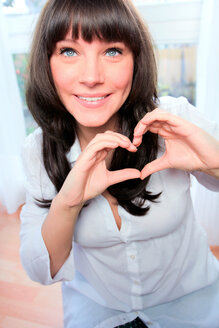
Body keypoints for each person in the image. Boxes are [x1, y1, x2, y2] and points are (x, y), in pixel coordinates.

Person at [19, 0, 219, 327]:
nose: (92, 77)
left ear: (135, 59)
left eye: (112, 50)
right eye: (69, 51)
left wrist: (213, 163)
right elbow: (41, 269)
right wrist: (69, 202)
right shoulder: (38, 149)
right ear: (47, 62)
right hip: (97, 311)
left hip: (193, 305)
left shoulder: (174, 119)